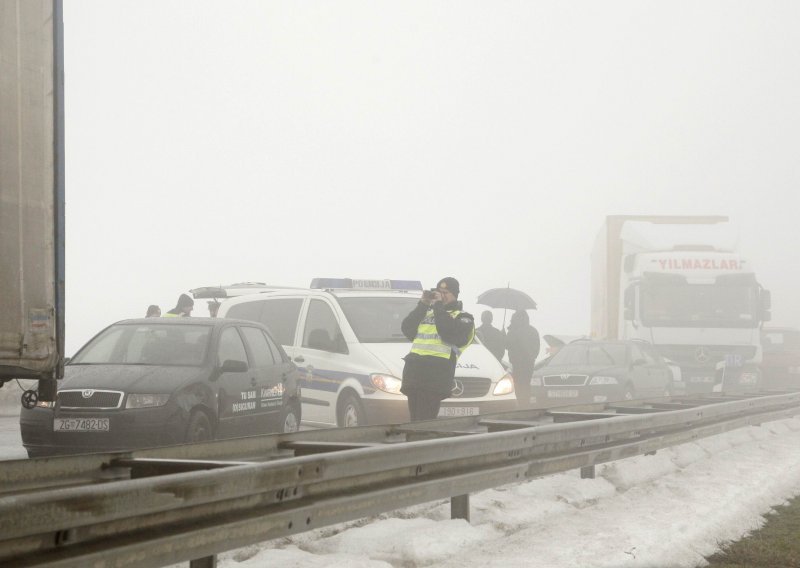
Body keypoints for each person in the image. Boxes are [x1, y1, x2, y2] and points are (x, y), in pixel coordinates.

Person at [400, 277, 475, 421]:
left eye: (445, 292)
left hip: (434, 376)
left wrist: (438, 306)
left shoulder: (463, 317)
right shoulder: (427, 312)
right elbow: (407, 328)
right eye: (439, 292)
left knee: (425, 421)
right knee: (414, 421)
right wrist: (423, 304)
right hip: (414, 373)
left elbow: (448, 332)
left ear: (455, 295)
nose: (441, 295)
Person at [505, 310, 540, 408]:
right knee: (526, 383)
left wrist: (504, 333)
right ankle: (526, 404)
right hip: (529, 363)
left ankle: (520, 404)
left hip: (517, 363)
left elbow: (507, 345)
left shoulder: (514, 331)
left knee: (518, 384)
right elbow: (537, 348)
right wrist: (532, 357)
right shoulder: (533, 331)